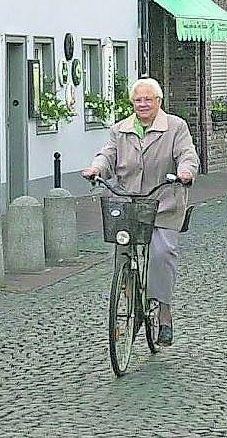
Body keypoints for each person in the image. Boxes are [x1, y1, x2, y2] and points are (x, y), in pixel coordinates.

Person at [81, 78, 198, 347]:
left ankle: (164, 312)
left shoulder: (175, 127)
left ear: (159, 102)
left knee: (161, 252)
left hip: (164, 202)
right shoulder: (120, 130)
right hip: (128, 203)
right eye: (138, 100)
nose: (143, 104)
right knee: (122, 251)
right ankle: (131, 299)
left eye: (148, 99)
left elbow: (187, 155)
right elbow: (107, 155)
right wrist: (96, 169)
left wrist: (185, 172)